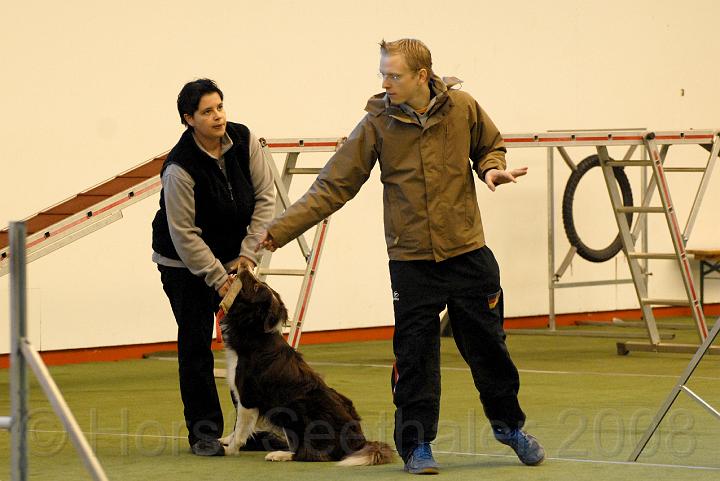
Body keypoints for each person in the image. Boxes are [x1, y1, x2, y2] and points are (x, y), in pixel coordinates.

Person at [256, 39, 544, 473]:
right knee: (414, 360)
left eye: (394, 75)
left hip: (468, 253)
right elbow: (333, 185)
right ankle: (416, 446)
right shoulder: (377, 123)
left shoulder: (463, 107)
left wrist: (491, 168)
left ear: (421, 76)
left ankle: (510, 428)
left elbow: (489, 145)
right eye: (383, 75)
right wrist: (280, 230)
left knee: (490, 351)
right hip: (411, 262)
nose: (385, 83)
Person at [151, 78, 275, 456]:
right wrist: (219, 278)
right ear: (189, 119)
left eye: (220, 107)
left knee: (249, 345)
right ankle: (204, 433)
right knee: (196, 344)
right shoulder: (179, 168)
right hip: (183, 265)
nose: (218, 116)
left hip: (236, 259)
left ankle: (251, 432)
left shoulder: (245, 140)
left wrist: (248, 256)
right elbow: (184, 234)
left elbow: (266, 198)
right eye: (207, 111)